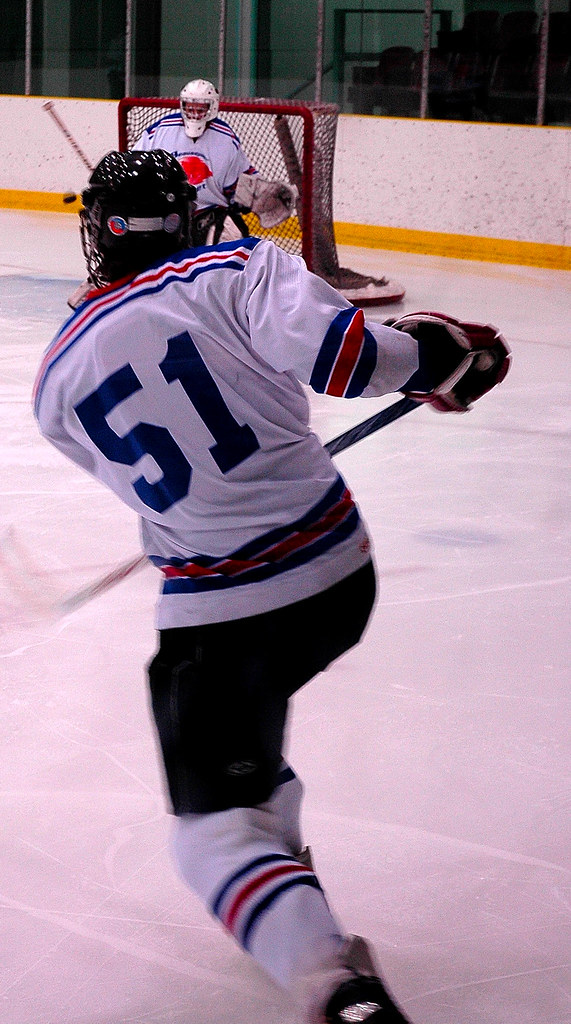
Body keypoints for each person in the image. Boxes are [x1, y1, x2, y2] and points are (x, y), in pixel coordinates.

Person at [33, 150, 510, 1024]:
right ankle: (288, 885)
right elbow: (345, 356)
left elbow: (158, 484)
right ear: (187, 217)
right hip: (335, 578)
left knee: (212, 835)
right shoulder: (241, 267)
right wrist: (433, 362)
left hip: (224, 616)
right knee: (244, 746)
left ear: (99, 232)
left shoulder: (55, 383)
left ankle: (337, 991)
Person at [133, 78, 298, 245]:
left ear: (212, 107)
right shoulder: (160, 131)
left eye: (201, 107)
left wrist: (258, 195)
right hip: (166, 213)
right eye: (190, 106)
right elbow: (135, 167)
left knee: (231, 234)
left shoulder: (225, 138)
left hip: (209, 217)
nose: (195, 112)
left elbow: (238, 188)